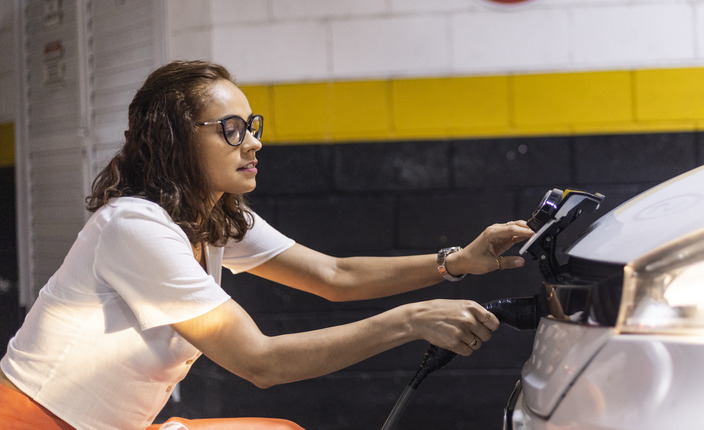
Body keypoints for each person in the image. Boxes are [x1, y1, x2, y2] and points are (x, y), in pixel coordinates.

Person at [0, 60, 534, 430]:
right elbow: (261, 362)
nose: (253, 141)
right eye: (231, 129)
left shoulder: (213, 216)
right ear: (175, 139)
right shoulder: (135, 227)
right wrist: (410, 320)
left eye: (250, 125)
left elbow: (334, 277)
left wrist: (458, 261)